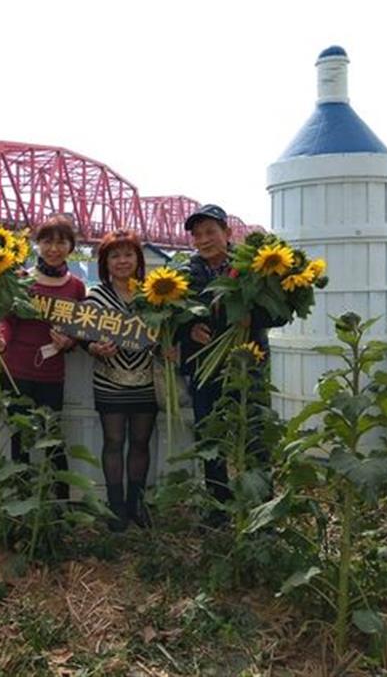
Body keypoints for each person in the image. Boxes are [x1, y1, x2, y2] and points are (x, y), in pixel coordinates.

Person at [179, 204, 280, 525]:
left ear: (227, 232)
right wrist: (188, 330)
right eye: (197, 235)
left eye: (210, 232)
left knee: (254, 432)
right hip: (204, 365)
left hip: (247, 362)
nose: (203, 240)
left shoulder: (254, 268)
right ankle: (218, 508)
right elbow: (173, 316)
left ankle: (262, 507)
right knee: (210, 436)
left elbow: (280, 310)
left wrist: (253, 318)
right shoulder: (185, 274)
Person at [0, 215, 85, 501]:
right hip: (16, 369)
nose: (54, 248)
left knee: (52, 437)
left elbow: (81, 326)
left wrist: (69, 341)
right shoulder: (21, 280)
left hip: (52, 372)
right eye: (47, 241)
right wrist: (1, 339)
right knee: (19, 439)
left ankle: (60, 502)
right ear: (37, 244)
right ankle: (20, 502)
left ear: (71, 246)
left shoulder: (77, 287)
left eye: (61, 242)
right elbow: (6, 319)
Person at [85, 230, 157, 531]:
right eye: (115, 256)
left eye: (129, 254)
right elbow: (83, 336)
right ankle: (116, 507)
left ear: (138, 259)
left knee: (141, 442)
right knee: (113, 442)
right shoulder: (95, 296)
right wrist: (94, 347)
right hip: (110, 380)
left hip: (145, 379)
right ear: (105, 262)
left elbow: (167, 330)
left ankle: (136, 504)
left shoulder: (153, 293)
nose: (122, 261)